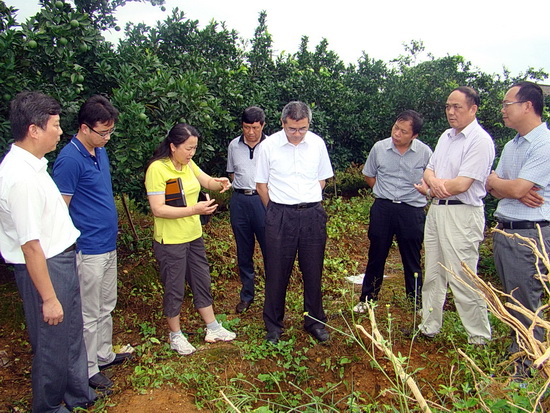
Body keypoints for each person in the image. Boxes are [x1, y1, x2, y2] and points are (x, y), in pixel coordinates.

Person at [0, 92, 96, 411]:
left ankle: (77, 396)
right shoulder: (20, 178)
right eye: (55, 125)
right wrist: (49, 298)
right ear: (34, 130)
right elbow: (30, 245)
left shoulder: (35, 166)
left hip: (61, 259)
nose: (59, 131)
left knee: (70, 335)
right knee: (52, 344)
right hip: (46, 267)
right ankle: (50, 406)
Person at [52, 95, 131, 390]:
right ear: (84, 128)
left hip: (107, 243)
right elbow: (60, 210)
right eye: (103, 131)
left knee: (105, 305)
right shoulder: (69, 160)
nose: (108, 137)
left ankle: (103, 354)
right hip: (88, 248)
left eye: (111, 131)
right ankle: (86, 370)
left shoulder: (99, 150)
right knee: (87, 311)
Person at [144, 123, 236, 355]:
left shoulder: (188, 164)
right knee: (174, 287)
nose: (191, 153)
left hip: (193, 235)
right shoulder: (157, 169)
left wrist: (220, 183)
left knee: (201, 279)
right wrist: (195, 209)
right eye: (188, 148)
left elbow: (206, 181)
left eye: (194, 148)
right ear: (173, 146)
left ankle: (212, 326)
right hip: (171, 240)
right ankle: (175, 334)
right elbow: (158, 209)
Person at [414, 86, 495, 345]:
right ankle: (429, 326)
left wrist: (435, 186)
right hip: (438, 210)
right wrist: (435, 185)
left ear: (473, 109)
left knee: (462, 276)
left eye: (457, 107)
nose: (451, 112)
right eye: (448, 106)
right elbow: (429, 170)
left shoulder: (479, 141)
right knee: (434, 272)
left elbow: (462, 184)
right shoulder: (446, 136)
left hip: (462, 213)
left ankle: (479, 337)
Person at [256, 101, 334, 344]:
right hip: (280, 214)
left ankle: (314, 321)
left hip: (312, 214)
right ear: (282, 123)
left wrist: (304, 200)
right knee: (277, 272)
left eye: (302, 129)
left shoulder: (317, 144)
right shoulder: (268, 147)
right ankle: (273, 325)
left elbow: (322, 179)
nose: (297, 134)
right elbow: (261, 185)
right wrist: (278, 210)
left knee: (313, 270)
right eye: (292, 129)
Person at [486, 81, 550, 375]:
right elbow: (493, 183)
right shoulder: (513, 145)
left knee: (526, 302)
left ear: (527, 106)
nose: (503, 110)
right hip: (507, 230)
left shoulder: (544, 144)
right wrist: (507, 187)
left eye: (507, 104)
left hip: (529, 233)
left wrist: (510, 186)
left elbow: (516, 186)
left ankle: (525, 371)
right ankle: (519, 355)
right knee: (514, 299)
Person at [354, 110, 432, 313]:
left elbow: (431, 179)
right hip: (383, 208)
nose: (397, 133)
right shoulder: (379, 148)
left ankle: (415, 303)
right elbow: (369, 176)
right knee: (376, 254)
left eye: (404, 131)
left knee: (412, 257)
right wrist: (383, 192)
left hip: (411, 209)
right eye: (396, 128)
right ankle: (367, 298)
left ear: (414, 136)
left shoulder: (425, 153)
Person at [227, 106, 267, 314]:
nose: (250, 132)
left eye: (255, 127)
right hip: (240, 201)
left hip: (264, 201)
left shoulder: (272, 146)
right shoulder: (234, 145)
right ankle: (247, 295)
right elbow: (233, 173)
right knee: (244, 251)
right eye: (246, 127)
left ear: (262, 125)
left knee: (270, 249)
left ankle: (273, 296)